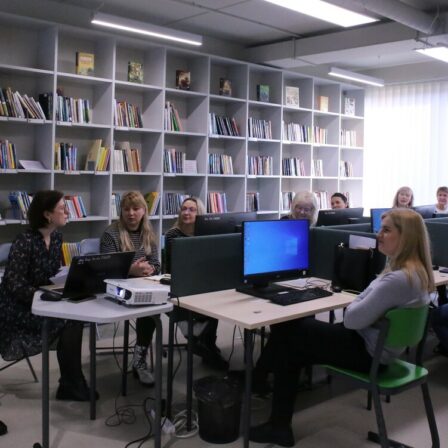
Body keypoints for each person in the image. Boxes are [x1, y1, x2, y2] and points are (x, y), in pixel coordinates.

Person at [249, 208, 433, 447]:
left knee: (288, 331)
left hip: (369, 354)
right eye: (380, 229)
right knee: (291, 339)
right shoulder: (416, 273)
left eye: (387, 230)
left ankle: (265, 396)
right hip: (381, 349)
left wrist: (361, 299)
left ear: (406, 237)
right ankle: (267, 398)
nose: (378, 235)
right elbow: (361, 307)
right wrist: (364, 299)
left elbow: (352, 319)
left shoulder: (397, 279)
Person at [0, 190, 94, 401]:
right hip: (18, 309)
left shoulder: (57, 237)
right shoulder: (24, 241)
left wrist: (65, 281)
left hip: (42, 299)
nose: (67, 212)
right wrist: (41, 296)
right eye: (62, 208)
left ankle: (71, 382)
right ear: (47, 215)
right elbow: (14, 284)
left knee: (75, 317)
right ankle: (71, 384)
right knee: (69, 321)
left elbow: (50, 274)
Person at [100, 191, 161, 386]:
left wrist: (150, 269)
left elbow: (157, 264)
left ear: (144, 211)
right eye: (126, 209)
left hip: (144, 285)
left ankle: (139, 359)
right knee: (149, 308)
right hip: (117, 288)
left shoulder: (148, 232)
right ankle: (140, 360)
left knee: (154, 308)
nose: (131, 213)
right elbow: (106, 269)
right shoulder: (111, 234)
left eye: (136, 208)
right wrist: (132, 270)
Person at [164, 197, 229, 370]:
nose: (186, 213)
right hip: (180, 282)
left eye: (191, 209)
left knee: (218, 294)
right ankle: (200, 342)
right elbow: (175, 266)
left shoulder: (206, 233)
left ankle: (206, 342)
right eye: (184, 209)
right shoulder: (173, 234)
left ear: (199, 213)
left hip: (202, 280)